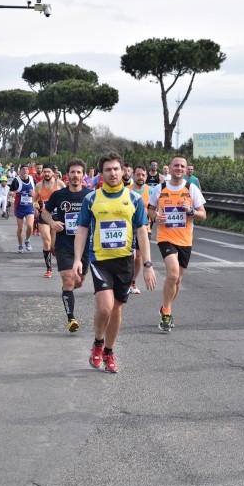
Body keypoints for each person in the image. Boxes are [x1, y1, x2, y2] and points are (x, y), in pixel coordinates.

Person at [73, 151, 156, 373]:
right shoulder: (91, 198)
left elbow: (142, 232)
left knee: (117, 310)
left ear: (123, 172)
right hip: (100, 260)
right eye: (108, 169)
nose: (112, 173)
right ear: (101, 173)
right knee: (104, 307)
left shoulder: (134, 199)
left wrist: (147, 265)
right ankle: (98, 343)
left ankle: (109, 351)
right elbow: (81, 230)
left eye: (116, 169)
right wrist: (76, 261)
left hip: (125, 262)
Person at [148, 155, 206, 333]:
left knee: (178, 280)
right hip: (166, 237)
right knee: (172, 275)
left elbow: (203, 214)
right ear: (170, 168)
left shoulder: (191, 188)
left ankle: (167, 306)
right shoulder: (160, 188)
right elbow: (149, 209)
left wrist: (190, 211)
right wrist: (156, 217)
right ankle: (166, 313)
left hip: (185, 239)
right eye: (176, 165)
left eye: (182, 166)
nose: (179, 168)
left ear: (186, 169)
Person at [42, 159, 91, 332]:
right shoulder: (58, 195)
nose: (75, 175)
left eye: (78, 172)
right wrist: (52, 222)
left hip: (85, 246)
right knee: (69, 279)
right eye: (72, 172)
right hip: (64, 244)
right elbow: (45, 212)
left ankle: (68, 289)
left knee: (79, 281)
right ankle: (71, 319)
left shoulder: (91, 195)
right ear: (67, 175)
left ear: (83, 175)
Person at [33, 164, 66, 277]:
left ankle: (53, 249)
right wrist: (36, 206)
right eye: (45, 172)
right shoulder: (38, 185)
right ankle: (49, 269)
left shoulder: (60, 184)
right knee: (46, 241)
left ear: (53, 173)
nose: (46, 174)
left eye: (48, 172)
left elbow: (68, 196)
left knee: (54, 246)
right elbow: (34, 199)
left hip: (57, 217)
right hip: (44, 216)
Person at [129, 165, 154, 294]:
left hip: (144, 228)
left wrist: (156, 215)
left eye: (143, 175)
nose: (140, 177)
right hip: (128, 228)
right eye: (138, 175)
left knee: (138, 257)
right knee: (128, 256)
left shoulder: (151, 191)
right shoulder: (126, 190)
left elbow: (154, 209)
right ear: (134, 175)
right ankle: (124, 281)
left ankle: (133, 282)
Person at [9, 164, 35, 254]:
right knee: (20, 228)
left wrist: (34, 193)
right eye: (23, 169)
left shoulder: (32, 179)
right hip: (19, 207)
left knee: (30, 226)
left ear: (28, 171)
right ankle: (20, 245)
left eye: (26, 169)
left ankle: (27, 240)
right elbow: (10, 191)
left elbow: (37, 191)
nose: (25, 171)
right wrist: (12, 193)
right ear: (20, 171)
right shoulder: (16, 180)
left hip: (29, 206)